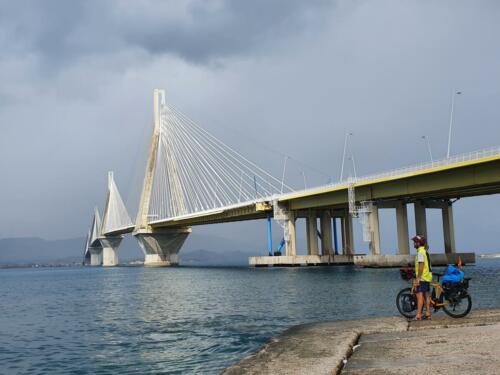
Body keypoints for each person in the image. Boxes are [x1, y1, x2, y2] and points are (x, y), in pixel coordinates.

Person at [412, 234, 433, 320]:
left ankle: (418, 315)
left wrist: (418, 278)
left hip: (422, 277)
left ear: (418, 243)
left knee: (419, 296)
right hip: (428, 277)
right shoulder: (425, 251)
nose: (413, 243)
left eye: (415, 242)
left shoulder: (420, 252)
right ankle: (428, 313)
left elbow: (421, 265)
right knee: (427, 295)